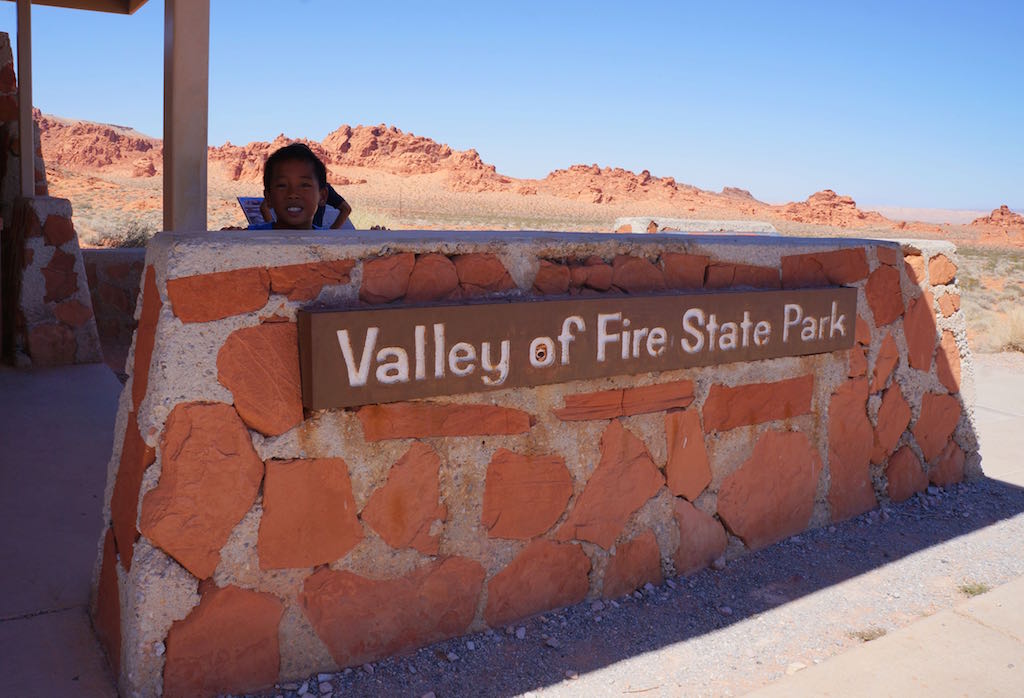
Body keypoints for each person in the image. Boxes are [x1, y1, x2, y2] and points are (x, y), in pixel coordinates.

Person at [249, 143, 352, 230]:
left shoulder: (329, 244)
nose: (293, 194)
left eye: (304, 185)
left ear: (323, 196)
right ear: (268, 197)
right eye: (282, 185)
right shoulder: (247, 238)